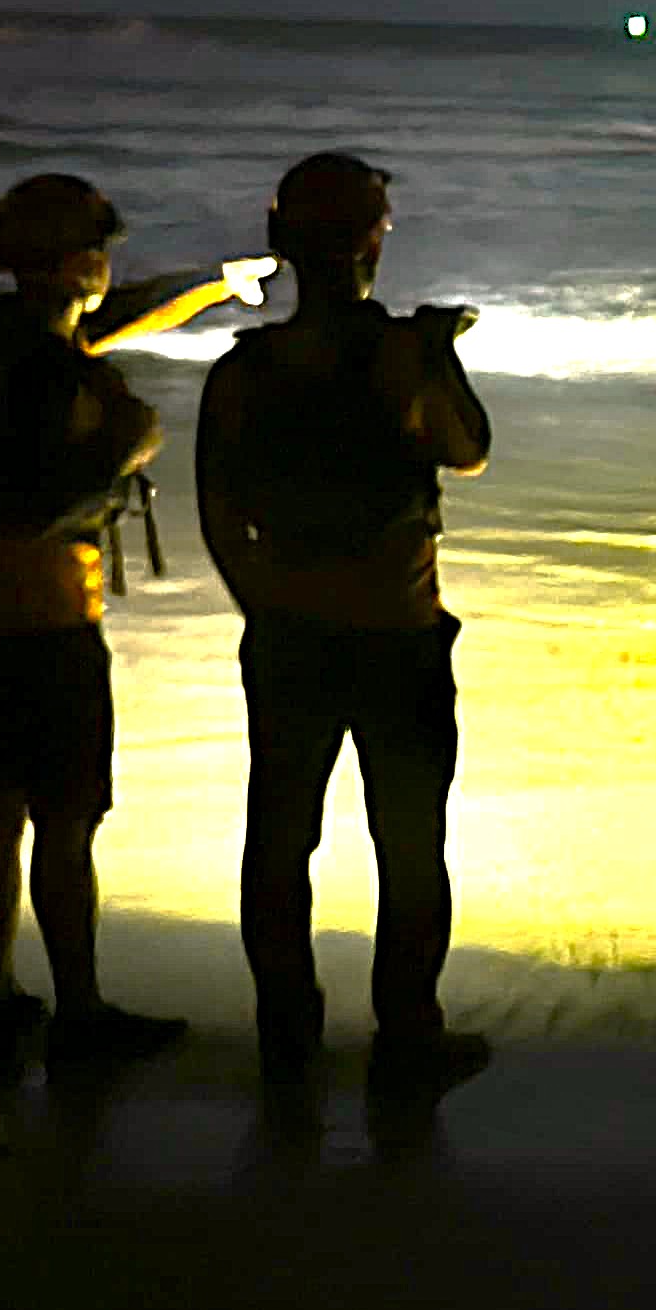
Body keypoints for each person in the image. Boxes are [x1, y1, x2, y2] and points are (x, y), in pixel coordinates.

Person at [197, 152, 495, 1100]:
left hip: (289, 634)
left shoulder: (246, 367)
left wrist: (265, 604)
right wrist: (441, 346)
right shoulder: (402, 353)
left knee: (279, 843)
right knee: (410, 843)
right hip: (399, 632)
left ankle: (289, 1035)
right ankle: (408, 1034)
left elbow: (214, 509)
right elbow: (470, 451)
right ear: (374, 241)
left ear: (283, 242)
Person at [0, 174, 203, 1078]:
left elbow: (115, 317)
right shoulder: (53, 366)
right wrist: (128, 440)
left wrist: (208, 283)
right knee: (68, 815)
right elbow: (40, 499)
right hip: (44, 609)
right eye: (103, 250)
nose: (110, 266)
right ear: (82, 258)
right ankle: (81, 1014)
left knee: (1, 800)